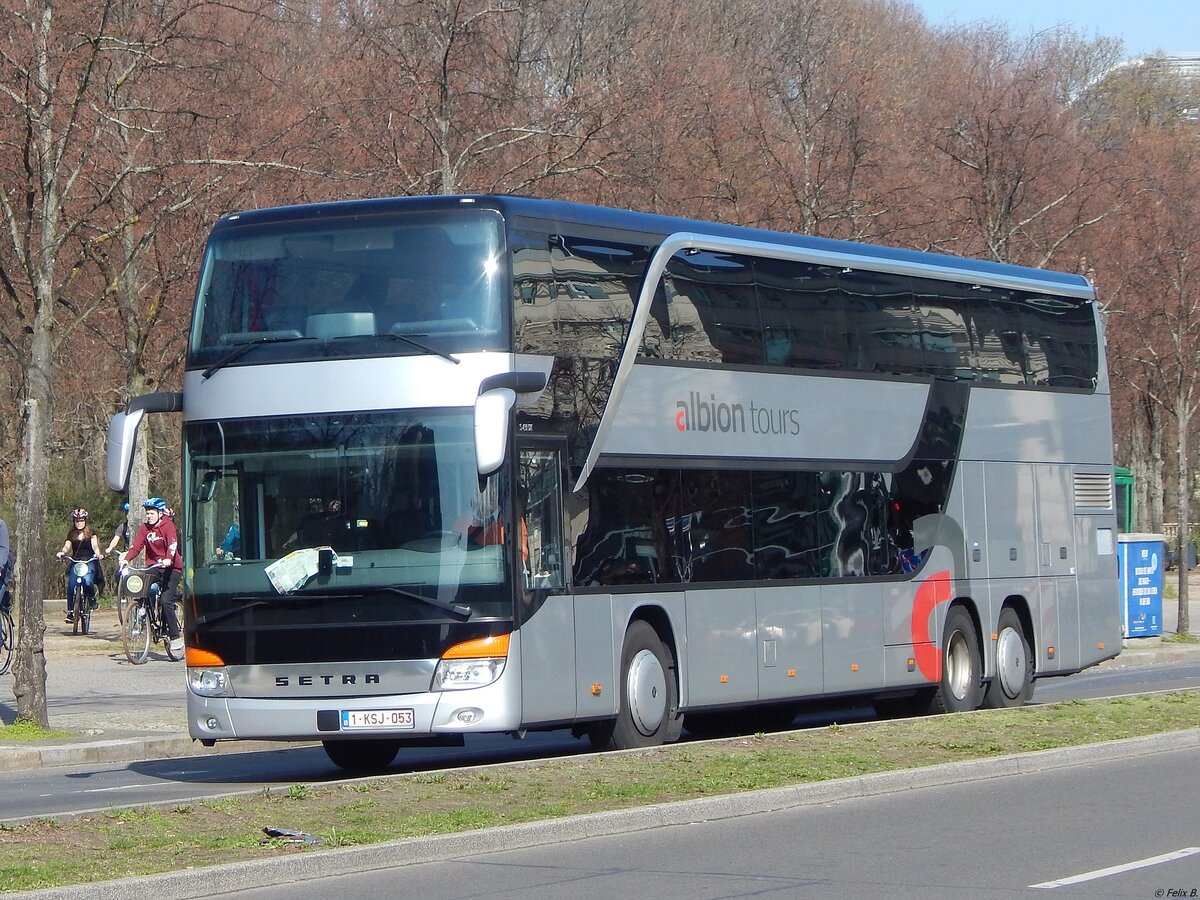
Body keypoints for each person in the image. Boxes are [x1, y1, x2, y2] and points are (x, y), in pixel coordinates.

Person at [119, 497, 183, 654]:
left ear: (160, 513)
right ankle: (145, 611)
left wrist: (169, 558)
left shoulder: (168, 526)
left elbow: (172, 545)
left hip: (171, 568)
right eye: (147, 513)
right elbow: (136, 547)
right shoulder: (144, 529)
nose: (149, 516)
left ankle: (175, 637)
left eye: (152, 513)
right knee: (142, 586)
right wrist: (126, 560)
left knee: (165, 600)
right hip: (154, 567)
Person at [55, 508, 102, 621]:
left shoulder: (91, 533)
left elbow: (95, 546)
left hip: (89, 560)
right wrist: (62, 552)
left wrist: (98, 554)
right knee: (71, 585)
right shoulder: (72, 534)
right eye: (77, 520)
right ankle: (70, 611)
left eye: (81, 520)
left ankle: (91, 599)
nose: (79, 523)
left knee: (87, 581)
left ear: (85, 521)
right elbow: (67, 545)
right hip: (76, 561)